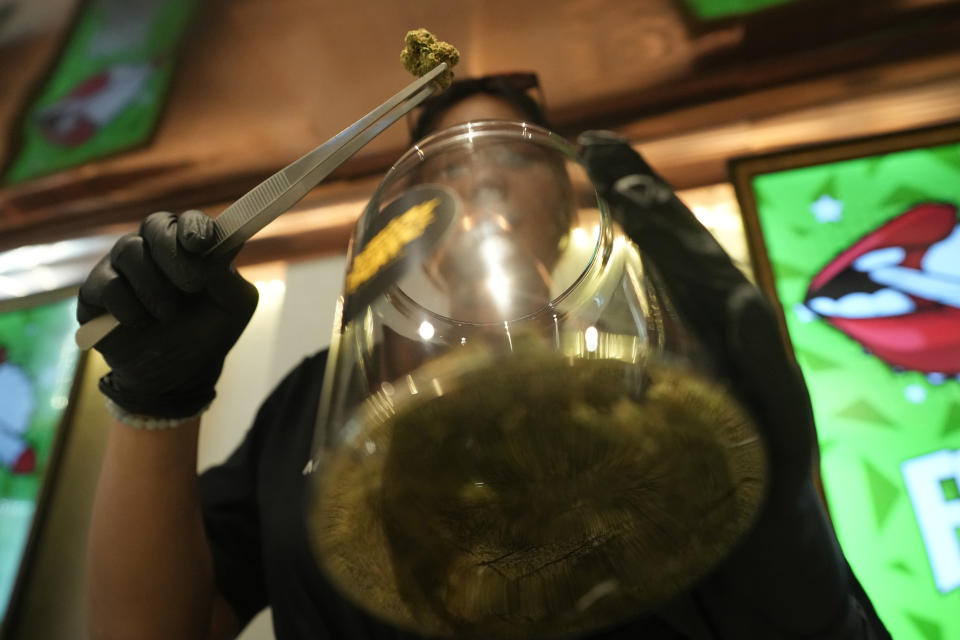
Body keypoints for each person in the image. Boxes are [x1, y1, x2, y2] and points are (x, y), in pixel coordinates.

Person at [80, 74, 890, 640]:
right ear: (405, 215)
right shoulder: (313, 397)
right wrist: (155, 398)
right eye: (443, 165)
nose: (481, 180)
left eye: (516, 157)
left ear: (568, 201)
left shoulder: (662, 378)